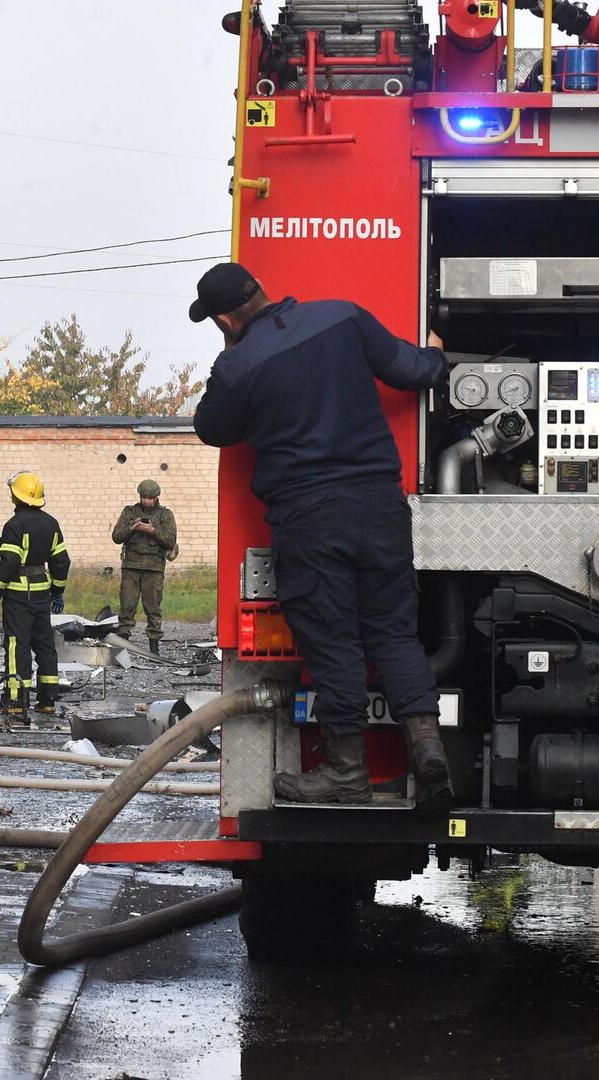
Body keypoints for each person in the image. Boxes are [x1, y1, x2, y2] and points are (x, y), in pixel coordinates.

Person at [189, 262, 452, 809]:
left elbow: (212, 428)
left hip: (309, 517)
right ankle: (428, 750)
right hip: (380, 506)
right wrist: (435, 351)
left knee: (335, 645)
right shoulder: (342, 317)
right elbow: (412, 370)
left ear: (223, 319)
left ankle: (346, 773)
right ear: (260, 289)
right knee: (394, 634)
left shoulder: (237, 365)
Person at [0, 472, 70, 716]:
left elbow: (9, 563)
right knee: (44, 644)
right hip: (43, 595)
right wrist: (58, 592)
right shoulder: (51, 523)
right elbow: (61, 561)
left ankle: (15, 699)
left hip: (18, 597)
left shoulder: (14, 526)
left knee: (16, 645)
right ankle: (48, 699)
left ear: (15, 496)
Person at [110, 479, 176, 654]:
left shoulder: (165, 515)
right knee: (127, 606)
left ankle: (154, 646)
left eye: (150, 498)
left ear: (156, 498)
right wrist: (132, 528)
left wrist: (152, 531)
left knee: (153, 607)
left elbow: (170, 540)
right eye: (144, 497)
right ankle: (123, 645)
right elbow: (116, 536)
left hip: (154, 568)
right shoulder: (130, 512)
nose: (147, 501)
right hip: (131, 565)